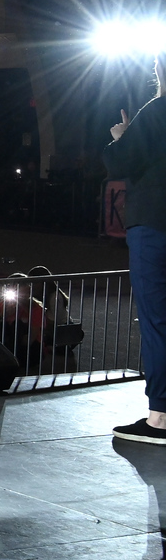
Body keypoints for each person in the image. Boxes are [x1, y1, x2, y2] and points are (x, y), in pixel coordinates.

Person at [106, 68, 166, 443]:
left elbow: (119, 163)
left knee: (157, 322)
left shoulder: (158, 109)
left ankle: (160, 418)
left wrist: (121, 137)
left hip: (154, 227)